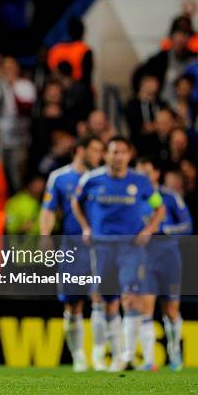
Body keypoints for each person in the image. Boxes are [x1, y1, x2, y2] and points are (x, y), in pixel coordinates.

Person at [71, 136, 165, 372]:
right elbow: (75, 202)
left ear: (128, 155)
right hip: (101, 247)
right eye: (114, 152)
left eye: (122, 152)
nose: (118, 156)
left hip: (131, 247)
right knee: (105, 301)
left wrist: (149, 229)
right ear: (106, 155)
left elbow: (159, 206)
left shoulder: (141, 182)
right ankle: (107, 355)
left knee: (131, 298)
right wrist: (85, 226)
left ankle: (126, 356)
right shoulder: (92, 179)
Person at [39, 135, 105, 372]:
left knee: (100, 300)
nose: (100, 155)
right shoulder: (59, 177)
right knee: (72, 305)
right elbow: (48, 209)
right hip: (72, 248)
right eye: (96, 150)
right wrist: (45, 235)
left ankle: (98, 356)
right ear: (81, 149)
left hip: (100, 247)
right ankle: (78, 357)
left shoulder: (101, 178)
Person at [135, 157, 192, 371]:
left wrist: (163, 230)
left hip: (169, 259)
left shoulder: (170, 197)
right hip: (144, 259)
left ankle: (175, 352)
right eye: (139, 173)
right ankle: (149, 360)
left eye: (147, 172)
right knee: (145, 308)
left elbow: (187, 225)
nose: (143, 177)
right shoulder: (135, 198)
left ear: (156, 173)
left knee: (171, 309)